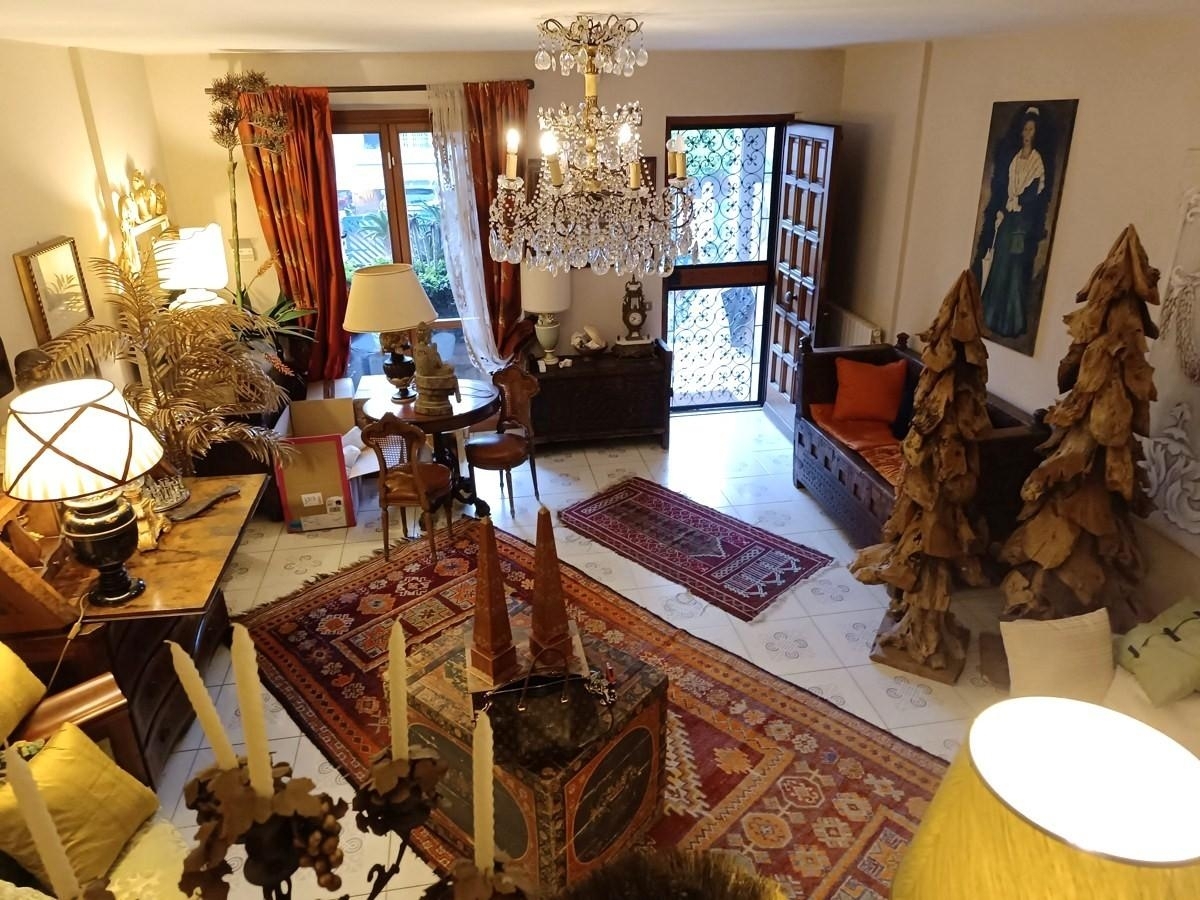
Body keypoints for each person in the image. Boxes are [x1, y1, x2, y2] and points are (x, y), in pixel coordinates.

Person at [972, 106, 1052, 338]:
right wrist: (1003, 210)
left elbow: (1034, 193)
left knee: (1014, 267)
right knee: (999, 264)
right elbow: (1007, 187)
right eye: (1025, 129)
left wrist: (1019, 202)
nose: (1027, 133)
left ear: (1036, 132)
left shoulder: (1036, 162)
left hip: (1021, 224)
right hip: (1007, 219)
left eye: (1031, 130)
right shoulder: (1016, 159)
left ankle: (1010, 322)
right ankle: (990, 316)